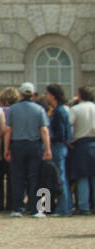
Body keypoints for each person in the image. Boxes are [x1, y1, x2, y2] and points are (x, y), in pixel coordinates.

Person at [2, 83, 51, 217]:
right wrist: (47, 148)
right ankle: (35, 208)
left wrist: (6, 148)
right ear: (33, 94)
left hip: (17, 144)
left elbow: (8, 130)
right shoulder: (39, 109)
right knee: (34, 177)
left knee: (17, 177)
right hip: (34, 145)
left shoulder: (13, 109)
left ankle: (17, 208)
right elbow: (44, 130)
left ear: (21, 94)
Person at [43, 84, 72, 216]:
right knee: (60, 177)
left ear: (52, 95)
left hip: (58, 146)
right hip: (60, 146)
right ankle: (64, 207)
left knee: (59, 178)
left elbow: (60, 133)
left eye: (48, 93)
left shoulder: (59, 111)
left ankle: (63, 208)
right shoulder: (59, 110)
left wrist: (49, 138)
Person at [70, 86, 95, 215]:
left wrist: (69, 141)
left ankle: (84, 206)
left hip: (81, 143)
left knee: (82, 176)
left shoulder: (75, 109)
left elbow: (69, 125)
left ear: (79, 95)